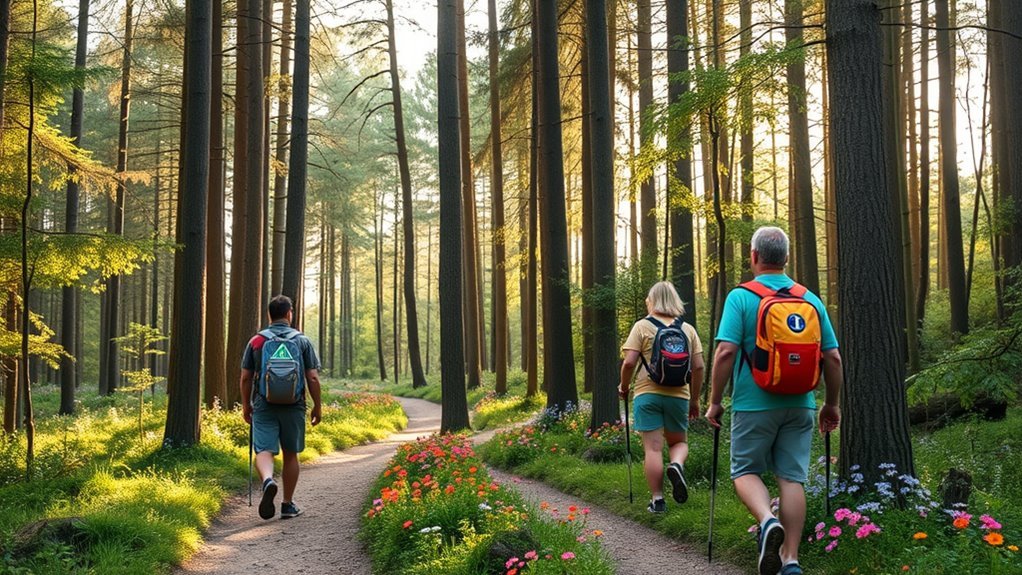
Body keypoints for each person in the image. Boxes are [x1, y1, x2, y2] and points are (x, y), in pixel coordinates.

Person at [704, 227, 842, 575]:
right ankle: (791, 560)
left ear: (753, 256)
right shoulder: (809, 298)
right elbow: (834, 358)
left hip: (754, 403)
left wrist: (715, 400)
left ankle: (767, 522)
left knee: (745, 471)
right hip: (801, 404)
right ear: (786, 258)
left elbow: (725, 353)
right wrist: (832, 404)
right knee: (791, 478)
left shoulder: (741, 297)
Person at [618, 281, 705, 514]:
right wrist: (695, 400)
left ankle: (657, 500)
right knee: (679, 443)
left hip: (647, 393)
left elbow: (628, 362)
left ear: (651, 300)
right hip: (679, 395)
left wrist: (624, 386)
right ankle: (676, 465)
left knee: (653, 449)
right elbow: (698, 367)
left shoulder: (642, 327)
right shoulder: (688, 329)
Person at [241, 295, 323, 520]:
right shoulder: (302, 341)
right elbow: (313, 378)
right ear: (289, 313)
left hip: (263, 403)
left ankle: (268, 480)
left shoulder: (256, 341)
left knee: (264, 450)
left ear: (270, 315)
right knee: (290, 453)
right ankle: (287, 504)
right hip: (294, 404)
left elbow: (246, 378)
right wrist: (317, 406)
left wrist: (246, 405)